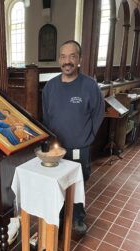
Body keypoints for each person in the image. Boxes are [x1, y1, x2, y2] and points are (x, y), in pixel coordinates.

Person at [42, 40, 105, 235]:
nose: (67, 61)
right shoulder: (50, 87)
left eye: (72, 56)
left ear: (79, 59)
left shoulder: (89, 86)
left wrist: (89, 135)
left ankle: (78, 217)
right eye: (63, 56)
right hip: (56, 150)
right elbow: (46, 116)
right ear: (59, 59)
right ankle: (59, 216)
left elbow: (98, 112)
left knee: (78, 184)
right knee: (57, 184)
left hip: (79, 148)